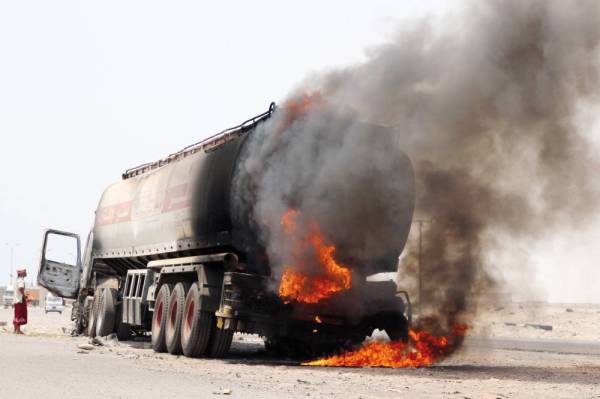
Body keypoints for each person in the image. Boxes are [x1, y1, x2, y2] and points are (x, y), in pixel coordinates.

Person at [13, 269, 28, 334]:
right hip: (20, 300)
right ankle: (18, 330)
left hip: (16, 300)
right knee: (19, 315)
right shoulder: (21, 280)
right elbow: (20, 288)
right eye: (25, 272)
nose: (26, 273)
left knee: (16, 315)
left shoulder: (17, 280)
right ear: (21, 274)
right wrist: (24, 296)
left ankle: (15, 329)